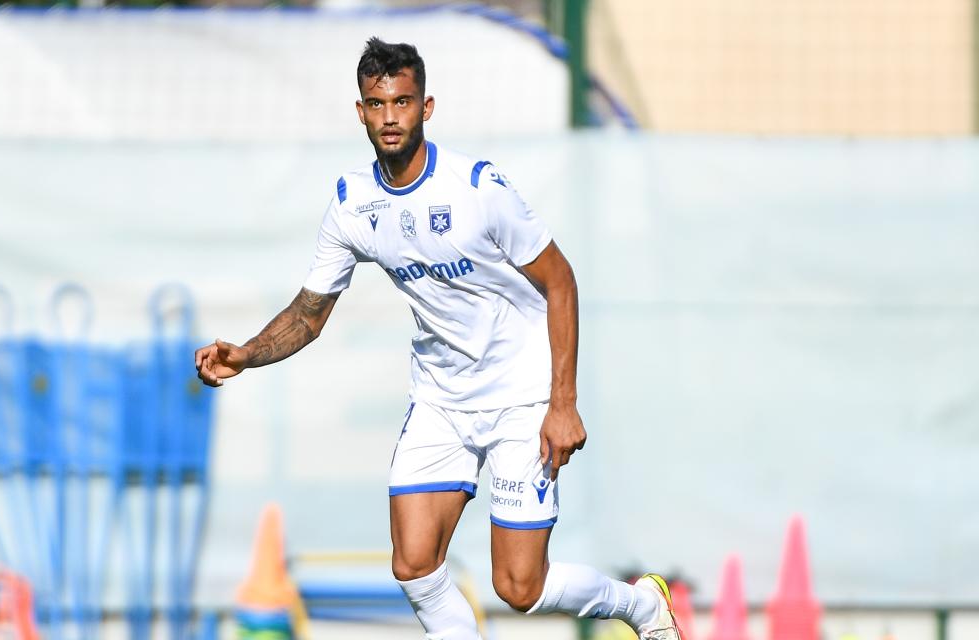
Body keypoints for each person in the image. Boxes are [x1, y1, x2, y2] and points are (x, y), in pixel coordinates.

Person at [194, 38, 682, 640]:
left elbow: (560, 281)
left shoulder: (476, 189)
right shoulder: (352, 205)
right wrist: (245, 354)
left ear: (426, 108)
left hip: (521, 394)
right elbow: (310, 313)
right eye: (377, 104)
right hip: (441, 398)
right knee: (414, 562)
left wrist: (562, 402)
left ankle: (640, 606)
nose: (390, 116)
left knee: (519, 587)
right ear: (361, 112)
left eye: (402, 102)